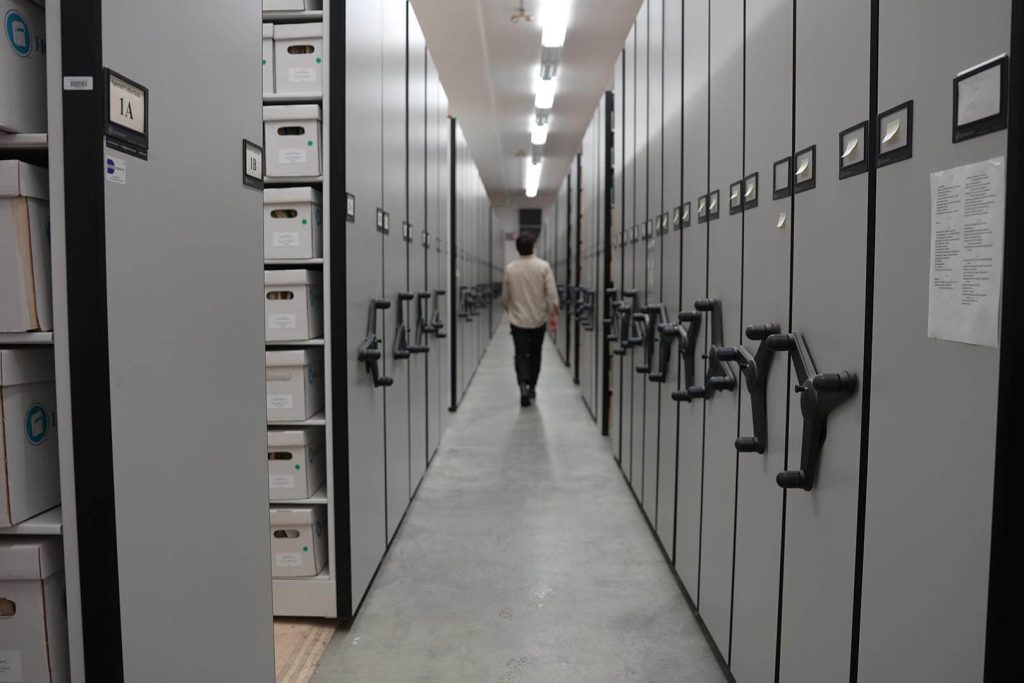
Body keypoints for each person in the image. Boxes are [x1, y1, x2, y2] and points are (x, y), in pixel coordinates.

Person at [499, 233, 560, 407]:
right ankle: (532, 386)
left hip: (518, 320)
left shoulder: (510, 268)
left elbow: (505, 296)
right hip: (538, 319)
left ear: (517, 248)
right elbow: (551, 294)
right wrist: (553, 313)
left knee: (520, 354)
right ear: (533, 247)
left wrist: (508, 309)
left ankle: (522, 385)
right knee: (535, 353)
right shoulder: (543, 267)